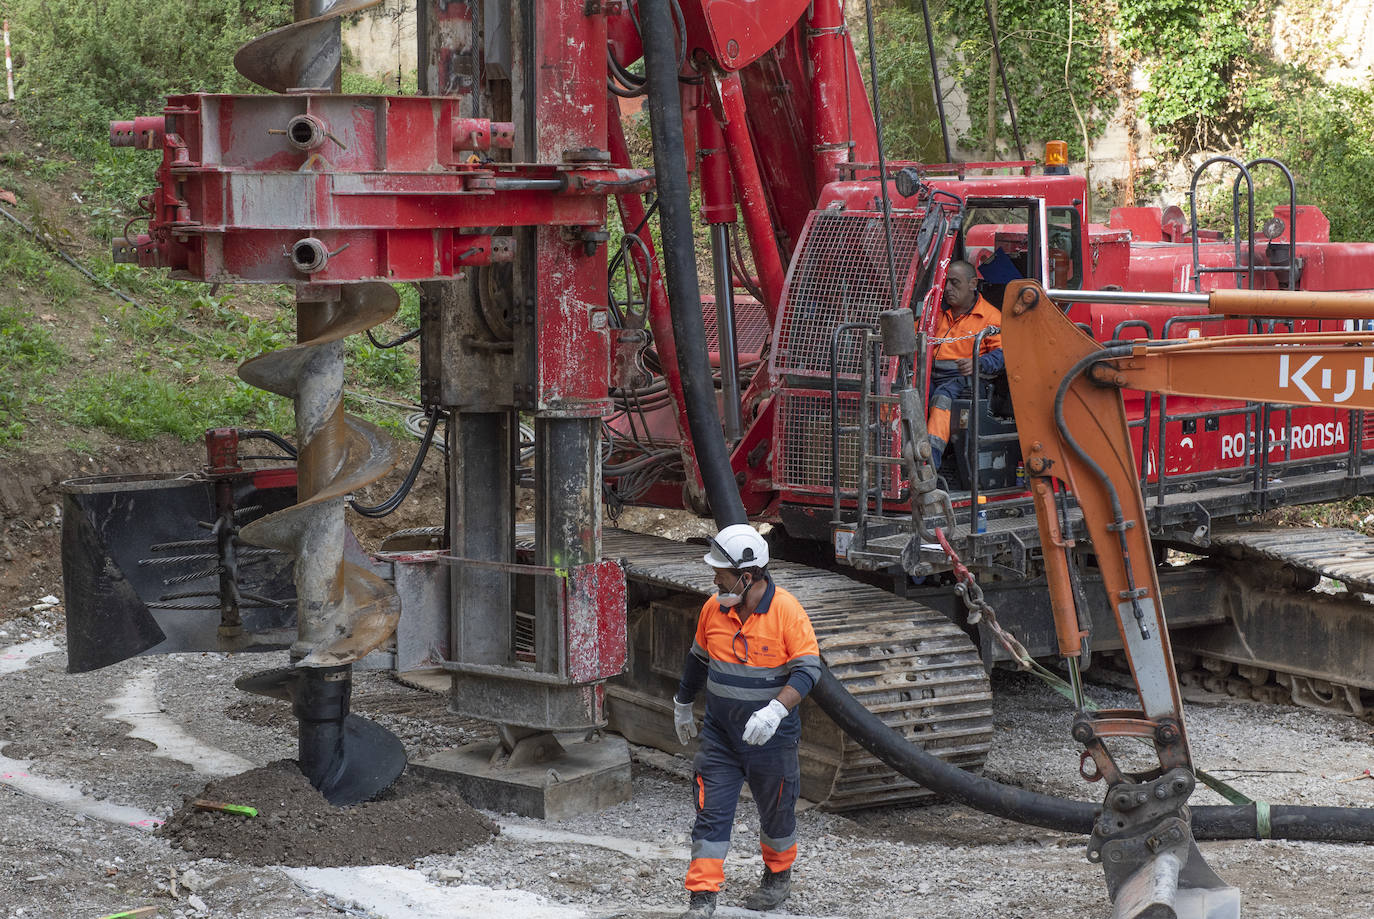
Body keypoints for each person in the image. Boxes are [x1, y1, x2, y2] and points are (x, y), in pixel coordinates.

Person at [672, 524, 822, 919]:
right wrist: (682, 702)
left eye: (721, 572)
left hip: (771, 739)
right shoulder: (713, 608)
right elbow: (698, 660)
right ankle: (702, 900)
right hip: (721, 736)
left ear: (747, 575)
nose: (714, 578)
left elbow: (808, 671)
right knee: (711, 811)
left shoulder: (787, 611)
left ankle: (777, 878)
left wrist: (775, 710)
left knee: (777, 809)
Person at [926, 259, 1005, 470]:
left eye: (955, 283)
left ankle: (927, 466)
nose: (948, 289)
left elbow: (1003, 355)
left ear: (972, 284)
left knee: (942, 399)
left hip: (966, 379)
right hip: (930, 374)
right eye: (946, 283)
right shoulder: (934, 313)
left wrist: (977, 363)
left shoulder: (991, 317)